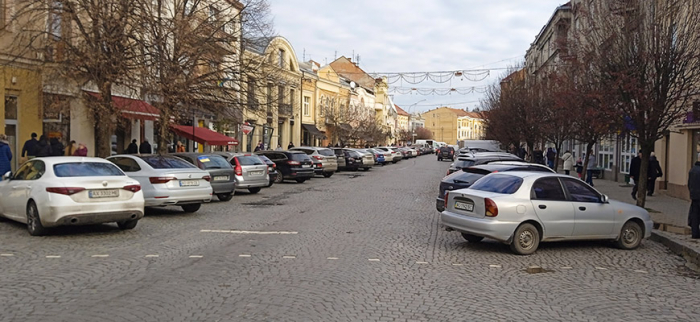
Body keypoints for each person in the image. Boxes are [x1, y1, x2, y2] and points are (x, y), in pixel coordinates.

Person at [688, 157, 700, 239]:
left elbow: (689, 183)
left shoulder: (692, 170)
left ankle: (694, 233)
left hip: (694, 196)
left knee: (695, 215)